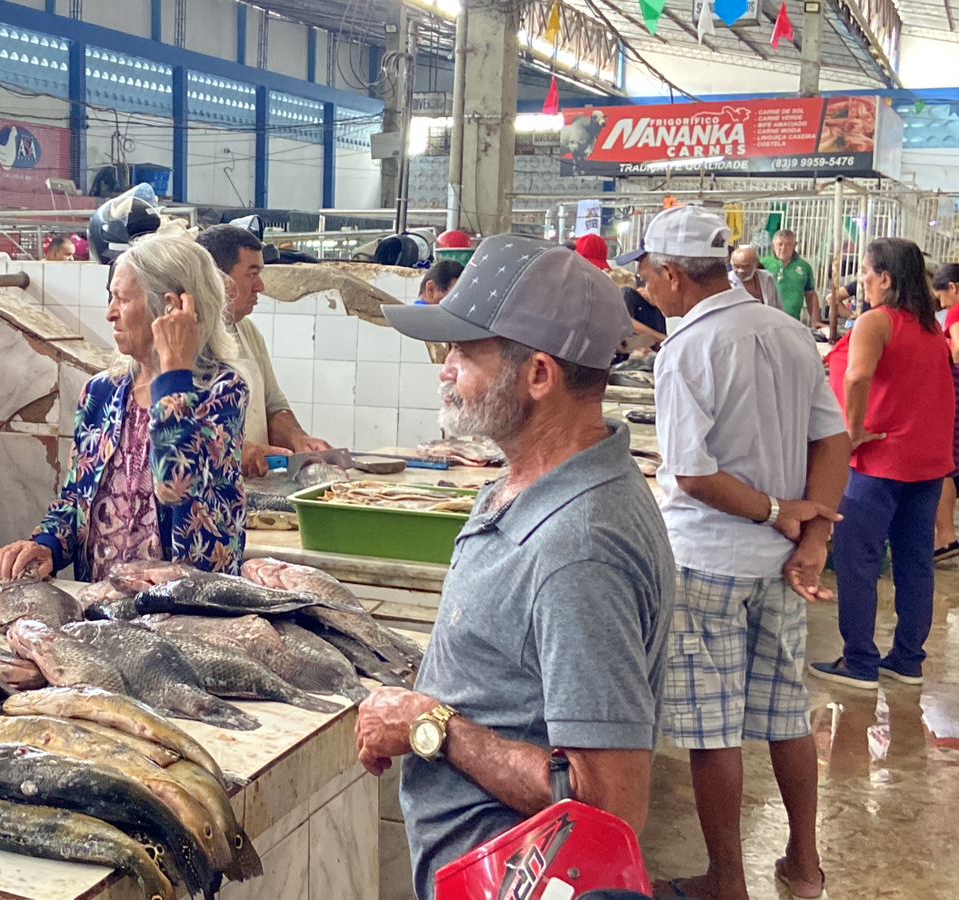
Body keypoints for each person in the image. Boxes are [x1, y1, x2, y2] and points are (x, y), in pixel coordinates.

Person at [357, 234, 673, 900]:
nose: (444, 368)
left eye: (465, 353)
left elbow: (610, 805)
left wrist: (431, 726)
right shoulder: (526, 482)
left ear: (538, 375)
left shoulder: (578, 548)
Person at [623, 206, 849, 900]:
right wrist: (810, 538)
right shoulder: (787, 333)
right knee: (787, 712)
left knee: (711, 725)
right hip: (779, 566)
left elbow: (692, 473)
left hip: (708, 559)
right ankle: (804, 865)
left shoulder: (685, 349)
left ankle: (726, 879)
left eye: (646, 273)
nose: (644, 285)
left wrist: (782, 513)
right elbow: (833, 440)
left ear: (669, 275)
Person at [0, 234, 246, 582]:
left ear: (169, 307)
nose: (110, 313)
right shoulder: (102, 393)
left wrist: (173, 368)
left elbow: (175, 484)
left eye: (121, 299)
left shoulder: (222, 391)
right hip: (102, 605)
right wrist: (46, 544)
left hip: (184, 614)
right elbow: (76, 499)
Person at [812, 238, 956, 688]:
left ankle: (859, 661)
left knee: (859, 560)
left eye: (867, 275)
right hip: (925, 461)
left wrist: (851, 432)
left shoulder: (878, 321)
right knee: (915, 562)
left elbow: (857, 375)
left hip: (878, 461)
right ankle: (908, 659)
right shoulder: (930, 327)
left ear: (885, 279)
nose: (863, 283)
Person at [195, 224, 330, 479]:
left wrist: (298, 439)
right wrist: (233, 450)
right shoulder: (185, 337)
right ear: (217, 278)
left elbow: (272, 405)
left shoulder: (248, 332)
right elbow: (173, 424)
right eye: (251, 273)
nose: (260, 286)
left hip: (251, 487)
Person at [934, 264, 959, 562]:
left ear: (953, 287)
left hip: (955, 389)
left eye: (941, 292)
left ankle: (945, 536)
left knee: (944, 464)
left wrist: (942, 342)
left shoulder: (955, 313)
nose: (939, 300)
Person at [761, 229, 822, 327]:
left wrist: (816, 321)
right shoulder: (763, 264)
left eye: (788, 244)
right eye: (780, 244)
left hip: (792, 322)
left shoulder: (804, 266)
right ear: (773, 245)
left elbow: (810, 295)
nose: (783, 248)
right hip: (766, 321)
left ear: (795, 245)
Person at [729, 244, 783, 311]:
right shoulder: (727, 282)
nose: (740, 271)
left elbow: (779, 307)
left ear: (756, 264)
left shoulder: (768, 278)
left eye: (745, 266)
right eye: (736, 266)